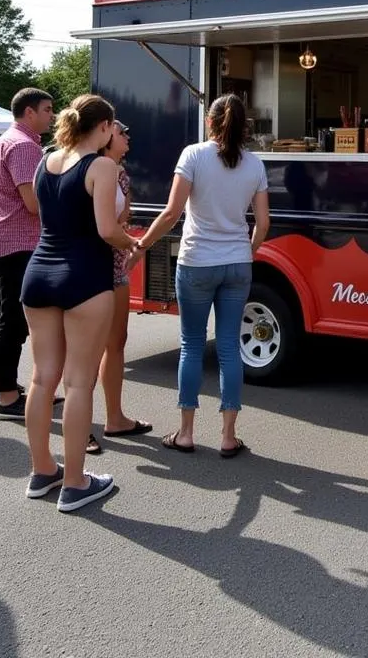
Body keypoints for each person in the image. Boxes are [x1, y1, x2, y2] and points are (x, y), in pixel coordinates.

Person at [21, 94, 143, 513]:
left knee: (41, 380)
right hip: (84, 278)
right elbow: (107, 228)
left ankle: (42, 471)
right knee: (77, 381)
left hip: (39, 274)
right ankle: (75, 482)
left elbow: (42, 212)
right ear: (106, 126)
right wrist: (133, 242)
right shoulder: (102, 166)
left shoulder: (45, 160)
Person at [134, 94, 269, 457]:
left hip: (196, 262)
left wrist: (141, 246)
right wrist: (247, 251)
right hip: (237, 264)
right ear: (245, 126)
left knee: (192, 345)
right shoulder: (254, 164)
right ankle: (228, 436)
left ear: (210, 122)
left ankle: (186, 433)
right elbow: (264, 223)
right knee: (229, 348)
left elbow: (171, 213)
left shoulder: (192, 155)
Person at [0, 89, 55, 416]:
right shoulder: (25, 146)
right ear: (29, 112)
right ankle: (9, 398)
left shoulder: (8, 139)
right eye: (47, 109)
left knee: (2, 314)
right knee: (14, 321)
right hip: (18, 242)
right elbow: (33, 203)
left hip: (1, 238)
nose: (52, 116)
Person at [93, 120, 152, 447]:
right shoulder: (88, 169)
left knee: (117, 341)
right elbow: (103, 224)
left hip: (115, 262)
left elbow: (122, 217)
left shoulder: (121, 174)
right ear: (104, 137)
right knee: (86, 348)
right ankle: (83, 428)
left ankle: (115, 418)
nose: (128, 136)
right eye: (121, 132)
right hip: (90, 264)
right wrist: (132, 243)